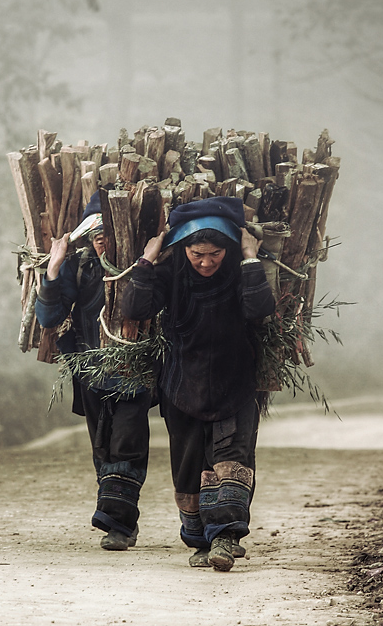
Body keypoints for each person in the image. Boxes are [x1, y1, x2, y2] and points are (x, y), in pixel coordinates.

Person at [120, 196, 275, 571]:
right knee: (188, 466)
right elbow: (134, 310)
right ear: (183, 248)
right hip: (181, 386)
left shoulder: (242, 269)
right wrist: (147, 261)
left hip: (235, 383)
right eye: (196, 253)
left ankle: (224, 537)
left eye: (215, 254)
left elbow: (259, 310)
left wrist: (251, 258)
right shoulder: (170, 273)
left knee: (232, 458)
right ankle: (200, 539)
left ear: (230, 249)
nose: (206, 262)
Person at [35, 192, 154, 551]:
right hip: (90, 371)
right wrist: (54, 270)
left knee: (127, 442)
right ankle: (117, 519)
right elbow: (51, 318)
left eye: (109, 230)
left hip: (134, 372)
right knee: (101, 445)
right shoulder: (82, 266)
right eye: (95, 232)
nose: (102, 239)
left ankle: (118, 523)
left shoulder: (143, 266)